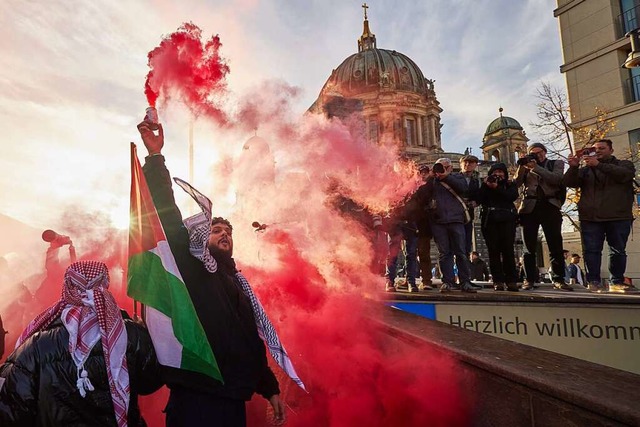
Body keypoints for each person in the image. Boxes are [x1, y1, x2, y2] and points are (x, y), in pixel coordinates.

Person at [138, 120, 298, 426]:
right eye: (215, 230)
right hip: (195, 400)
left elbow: (247, 340)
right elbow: (168, 216)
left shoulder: (237, 284)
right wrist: (156, 158)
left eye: (228, 231)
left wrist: (270, 389)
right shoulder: (195, 268)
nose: (223, 234)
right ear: (203, 239)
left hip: (231, 401)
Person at [0, 260, 162, 426]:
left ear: (67, 287)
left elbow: (14, 407)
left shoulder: (37, 343)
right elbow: (150, 383)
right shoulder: (132, 334)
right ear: (105, 283)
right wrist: (144, 334)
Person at [564, 139, 637, 293]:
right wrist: (574, 167)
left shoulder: (623, 164)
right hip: (591, 217)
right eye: (595, 149)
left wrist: (598, 165)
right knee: (591, 251)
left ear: (611, 150)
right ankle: (593, 282)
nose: (597, 151)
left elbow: (626, 175)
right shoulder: (585, 170)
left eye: (602, 148)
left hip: (618, 216)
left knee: (618, 250)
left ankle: (616, 281)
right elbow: (569, 182)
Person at [514, 142, 572, 291]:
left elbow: (557, 179)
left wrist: (536, 168)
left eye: (540, 152)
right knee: (528, 247)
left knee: (555, 244)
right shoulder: (526, 167)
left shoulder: (555, 163)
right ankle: (529, 279)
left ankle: (559, 279)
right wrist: (522, 166)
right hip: (529, 208)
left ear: (545, 152)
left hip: (550, 206)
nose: (537, 155)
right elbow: (516, 183)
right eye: (533, 153)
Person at [428, 158, 474, 293]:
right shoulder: (433, 182)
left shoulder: (457, 178)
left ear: (450, 168)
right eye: (439, 167)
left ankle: (465, 281)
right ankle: (447, 281)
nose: (441, 169)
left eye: (444, 167)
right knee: (444, 253)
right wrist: (432, 177)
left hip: (455, 220)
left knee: (461, 252)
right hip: (439, 222)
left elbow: (463, 189)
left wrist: (446, 177)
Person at [477, 163, 519, 292]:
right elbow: (479, 198)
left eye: (501, 172)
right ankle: (498, 280)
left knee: (508, 251)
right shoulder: (485, 186)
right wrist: (485, 185)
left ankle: (511, 281)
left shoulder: (510, 185)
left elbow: (512, 197)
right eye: (495, 172)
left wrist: (497, 187)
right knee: (493, 252)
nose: (498, 174)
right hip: (491, 221)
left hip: (507, 220)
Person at [458, 155, 481, 256]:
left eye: (471, 163)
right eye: (465, 162)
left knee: (467, 243)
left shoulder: (477, 181)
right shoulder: (454, 178)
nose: (467, 165)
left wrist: (476, 202)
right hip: (455, 215)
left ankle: (466, 268)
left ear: (476, 165)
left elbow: (481, 195)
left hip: (468, 215)